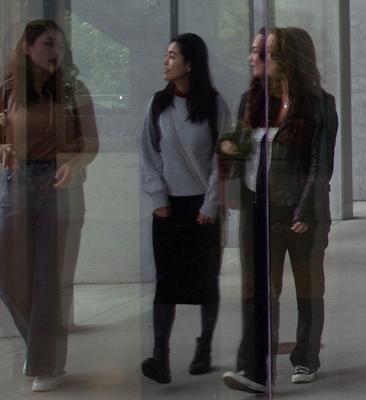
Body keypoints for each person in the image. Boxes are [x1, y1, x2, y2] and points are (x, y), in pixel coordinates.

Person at [219, 26, 332, 393]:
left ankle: (305, 357)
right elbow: (237, 151)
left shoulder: (319, 104)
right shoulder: (250, 102)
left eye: (263, 53)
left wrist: (305, 211)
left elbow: (319, 164)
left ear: (288, 61)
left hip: (298, 213)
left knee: (307, 289)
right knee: (260, 291)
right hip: (258, 211)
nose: (253, 58)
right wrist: (228, 162)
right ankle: (253, 366)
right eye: (254, 50)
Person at [0, 19, 99, 392]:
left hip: (57, 186)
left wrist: (72, 164)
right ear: (27, 48)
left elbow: (90, 143)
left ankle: (44, 362)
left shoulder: (73, 91)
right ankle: (45, 351)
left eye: (59, 44)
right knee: (9, 276)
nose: (55, 50)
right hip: (14, 185)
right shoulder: (8, 90)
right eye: (46, 43)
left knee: (47, 279)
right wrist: (2, 147)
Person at [138, 32, 229, 384]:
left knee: (207, 281)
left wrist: (210, 203)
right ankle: (160, 357)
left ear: (189, 63)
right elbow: (147, 153)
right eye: (166, 55)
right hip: (168, 209)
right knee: (167, 284)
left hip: (203, 209)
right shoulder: (157, 104)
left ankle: (204, 347)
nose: (166, 61)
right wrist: (158, 197)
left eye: (172, 56)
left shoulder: (213, 105)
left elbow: (223, 159)